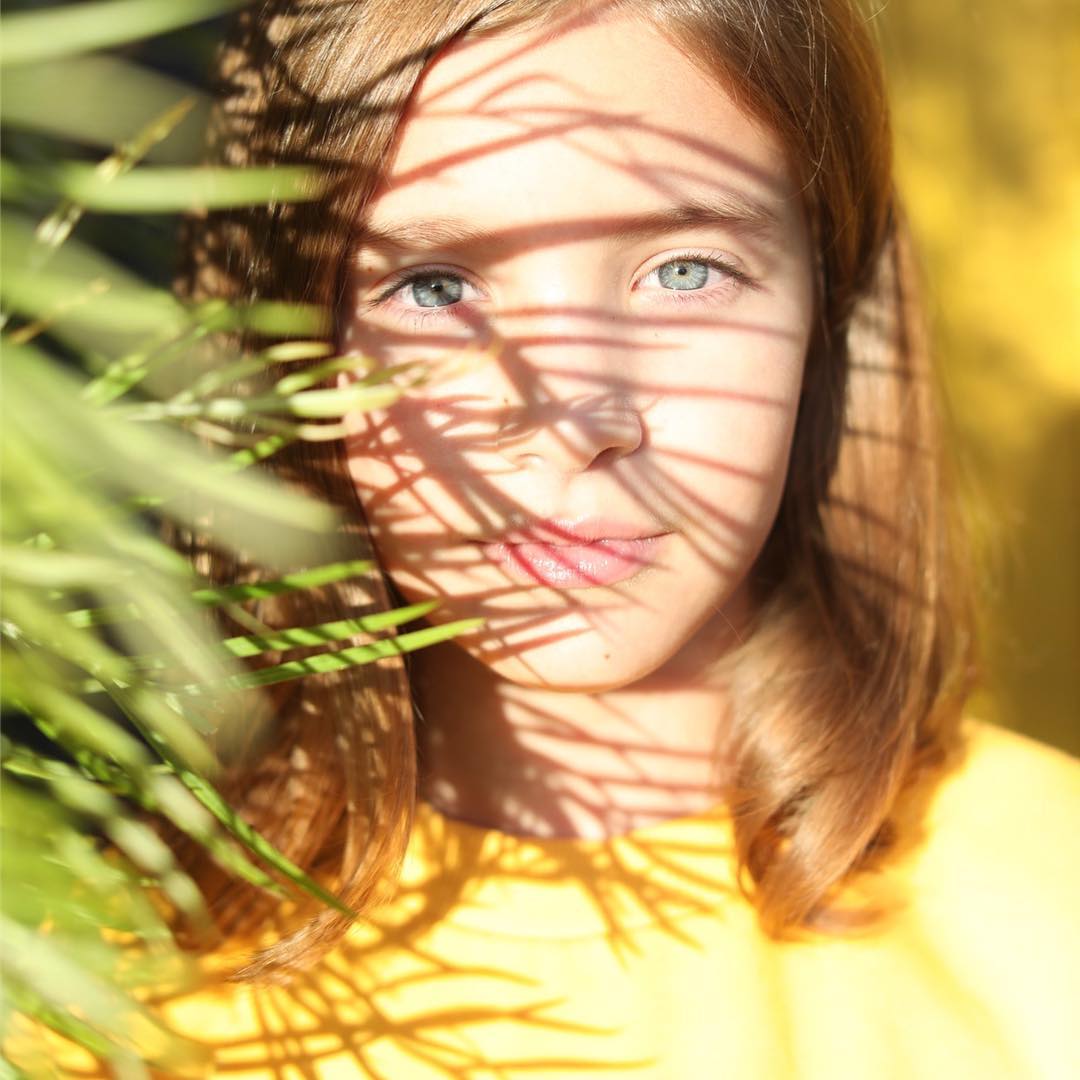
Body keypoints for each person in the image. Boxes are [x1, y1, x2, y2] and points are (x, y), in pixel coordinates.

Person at [78, 0, 1080, 1076]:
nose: (569, 417)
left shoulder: (1045, 908)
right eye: (433, 287)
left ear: (824, 304)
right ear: (285, 344)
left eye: (684, 272)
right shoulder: (104, 991)